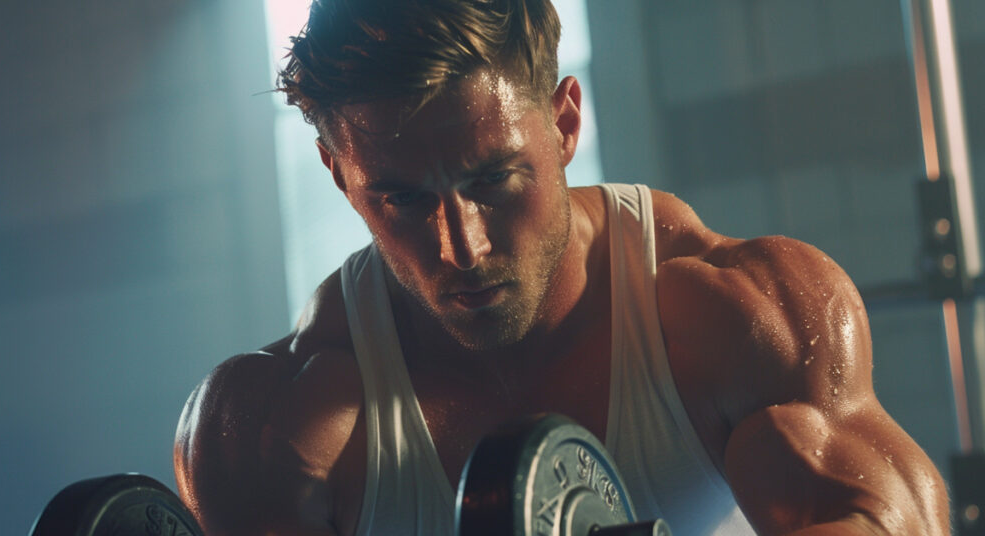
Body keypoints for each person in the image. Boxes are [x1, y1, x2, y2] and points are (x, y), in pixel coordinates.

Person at [173, 0, 950, 534]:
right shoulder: (280, 425)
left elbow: (897, 519)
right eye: (403, 200)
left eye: (492, 180)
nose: (462, 248)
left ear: (565, 121)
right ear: (341, 176)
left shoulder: (730, 315)